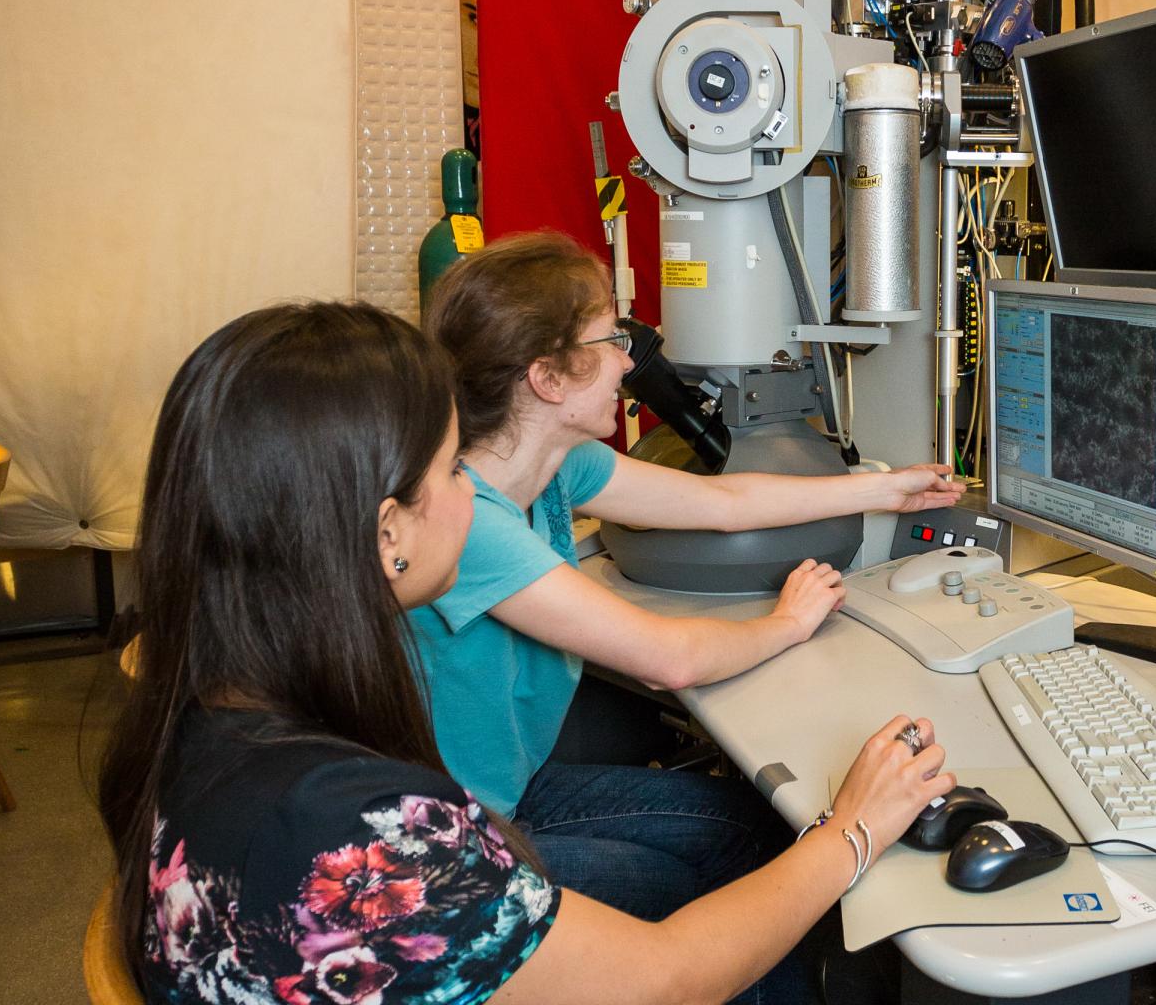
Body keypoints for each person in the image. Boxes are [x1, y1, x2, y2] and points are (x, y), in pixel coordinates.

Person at [98, 300, 954, 1004]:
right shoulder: (358, 838)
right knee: (730, 899)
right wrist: (854, 829)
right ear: (386, 532)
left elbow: (720, 503)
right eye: (446, 472)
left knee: (743, 828)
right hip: (498, 874)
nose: (467, 494)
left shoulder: (209, 715)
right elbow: (667, 978)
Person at [413, 231, 959, 923]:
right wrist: (786, 624)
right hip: (450, 846)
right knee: (700, 888)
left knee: (755, 828)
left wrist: (884, 491)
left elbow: (724, 503)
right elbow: (670, 660)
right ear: (548, 379)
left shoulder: (553, 464)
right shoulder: (468, 521)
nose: (626, 360)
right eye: (611, 339)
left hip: (508, 794)